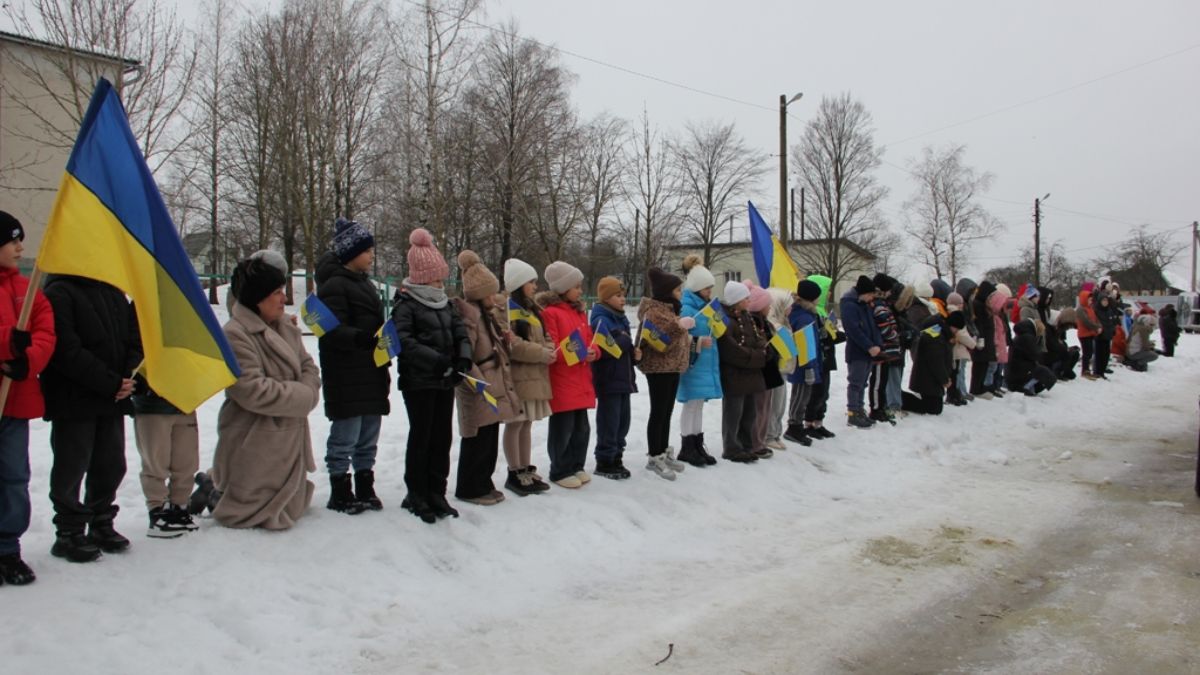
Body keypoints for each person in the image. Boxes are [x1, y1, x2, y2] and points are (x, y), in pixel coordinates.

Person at [209, 257, 321, 530]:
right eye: (276, 293)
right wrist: (303, 396)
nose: (284, 299)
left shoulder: (285, 326)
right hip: (255, 440)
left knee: (290, 505)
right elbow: (251, 390)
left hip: (287, 440)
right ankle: (216, 492)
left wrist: (305, 389)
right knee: (248, 509)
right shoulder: (236, 335)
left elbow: (308, 366)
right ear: (257, 298)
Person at [42, 272, 142, 562]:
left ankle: (101, 520)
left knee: (110, 464)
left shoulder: (113, 291)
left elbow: (134, 338)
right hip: (74, 399)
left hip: (112, 396)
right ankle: (69, 531)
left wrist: (128, 375)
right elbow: (66, 350)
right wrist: (109, 382)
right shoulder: (60, 291)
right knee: (72, 465)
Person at [393, 229, 472, 522]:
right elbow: (405, 342)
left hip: (445, 380)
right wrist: (437, 361)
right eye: (437, 278)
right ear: (423, 277)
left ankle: (437, 492)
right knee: (422, 438)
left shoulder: (445, 303)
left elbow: (460, 332)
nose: (442, 283)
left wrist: (463, 358)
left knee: (442, 438)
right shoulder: (406, 305)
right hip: (419, 381)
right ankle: (417, 494)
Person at [315, 218, 390, 514]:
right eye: (367, 250)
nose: (372, 255)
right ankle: (340, 489)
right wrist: (362, 339)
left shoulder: (365, 284)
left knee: (369, 433)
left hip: (370, 370)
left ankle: (365, 484)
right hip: (346, 373)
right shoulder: (334, 285)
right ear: (351, 252)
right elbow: (330, 330)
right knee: (346, 433)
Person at [0, 212, 54, 584]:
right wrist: (6, 344)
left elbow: (45, 332)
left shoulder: (28, 289)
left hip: (13, 404)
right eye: (14, 240)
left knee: (14, 476)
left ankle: (7, 548)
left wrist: (27, 361)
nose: (21, 247)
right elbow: (9, 336)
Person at [452, 251, 520, 505]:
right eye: (490, 293)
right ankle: (470, 487)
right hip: (479, 387)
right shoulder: (469, 317)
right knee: (477, 440)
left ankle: (484, 482)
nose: (495, 297)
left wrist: (504, 341)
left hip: (492, 385)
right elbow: (465, 354)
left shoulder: (487, 316)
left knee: (489, 439)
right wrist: (479, 382)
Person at [540, 261, 599, 489]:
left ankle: (576, 464)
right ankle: (559, 469)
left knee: (581, 428)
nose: (580, 290)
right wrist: (583, 354)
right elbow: (554, 347)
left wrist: (595, 351)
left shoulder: (579, 312)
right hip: (563, 380)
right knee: (562, 429)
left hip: (581, 379)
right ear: (563, 288)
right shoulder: (551, 313)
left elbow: (590, 338)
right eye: (576, 286)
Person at [590, 277, 655, 480]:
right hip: (609, 380)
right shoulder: (601, 319)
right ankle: (605, 459)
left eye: (623, 295)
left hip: (624, 379)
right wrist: (625, 341)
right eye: (618, 295)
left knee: (622, 422)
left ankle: (617, 455)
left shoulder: (620, 318)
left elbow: (621, 351)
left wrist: (634, 356)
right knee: (609, 422)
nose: (623, 299)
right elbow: (604, 348)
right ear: (607, 297)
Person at [499, 259, 553, 496]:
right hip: (520, 376)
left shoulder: (532, 309)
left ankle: (525, 468)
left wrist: (549, 349)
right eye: (531, 281)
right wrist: (542, 353)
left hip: (535, 374)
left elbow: (546, 335)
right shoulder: (508, 310)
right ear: (520, 284)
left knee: (527, 423)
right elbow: (514, 345)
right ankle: (514, 471)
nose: (535, 285)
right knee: (516, 423)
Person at [636, 268, 693, 480]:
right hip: (658, 368)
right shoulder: (654, 312)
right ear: (667, 292)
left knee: (667, 411)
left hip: (673, 366)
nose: (681, 293)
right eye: (678, 289)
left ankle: (663, 450)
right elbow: (661, 342)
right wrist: (679, 327)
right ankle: (654, 455)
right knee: (658, 412)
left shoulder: (670, 310)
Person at [132, 381, 200, 538]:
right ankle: (157, 510)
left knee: (186, 462)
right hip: (152, 406)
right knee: (155, 462)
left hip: (185, 402)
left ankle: (179, 506)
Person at [676, 254, 721, 466]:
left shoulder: (707, 307)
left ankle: (697, 443)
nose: (709, 292)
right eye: (706, 289)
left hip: (705, 363)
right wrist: (698, 341)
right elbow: (681, 336)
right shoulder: (688, 309)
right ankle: (687, 445)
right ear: (696, 288)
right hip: (693, 364)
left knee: (699, 404)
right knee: (691, 405)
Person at [716, 281, 766, 462]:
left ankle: (746, 444)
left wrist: (763, 351)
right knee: (733, 413)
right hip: (735, 375)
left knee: (749, 413)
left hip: (750, 374)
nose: (749, 300)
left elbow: (759, 338)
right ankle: (731, 447)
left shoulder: (748, 318)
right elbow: (731, 349)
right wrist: (755, 357)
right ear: (736, 300)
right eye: (745, 298)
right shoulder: (726, 320)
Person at [802, 275, 843, 439]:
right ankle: (809, 422)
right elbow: (819, 336)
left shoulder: (822, 311)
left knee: (824, 393)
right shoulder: (813, 313)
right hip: (820, 357)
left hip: (826, 357)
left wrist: (835, 334)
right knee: (816, 393)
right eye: (827, 290)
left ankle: (819, 421)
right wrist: (831, 336)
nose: (830, 293)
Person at [840, 275, 884, 428]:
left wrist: (877, 344)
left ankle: (860, 409)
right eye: (871, 294)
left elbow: (873, 327)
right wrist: (869, 346)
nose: (872, 297)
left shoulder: (865, 305)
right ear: (864, 293)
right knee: (855, 382)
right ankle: (853, 412)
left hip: (868, 351)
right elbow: (854, 330)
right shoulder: (850, 305)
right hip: (857, 351)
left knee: (863, 382)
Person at [784, 279, 823, 446]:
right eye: (817, 297)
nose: (819, 300)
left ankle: (796, 424)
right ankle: (794, 426)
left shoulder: (803, 314)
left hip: (805, 362)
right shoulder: (803, 317)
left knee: (801, 395)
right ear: (811, 298)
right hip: (803, 364)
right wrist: (809, 367)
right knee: (801, 396)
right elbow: (805, 344)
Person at [761, 287, 795, 450]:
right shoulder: (772, 324)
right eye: (789, 305)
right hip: (775, 369)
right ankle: (769, 434)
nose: (791, 309)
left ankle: (775, 433)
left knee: (780, 404)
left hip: (783, 369)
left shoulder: (782, 321)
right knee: (774, 403)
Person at [902, 314, 954, 415]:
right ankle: (898, 398)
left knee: (934, 408)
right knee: (933, 408)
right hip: (927, 378)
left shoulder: (939, 333)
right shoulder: (937, 336)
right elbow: (936, 362)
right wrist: (944, 379)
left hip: (930, 379)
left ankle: (899, 398)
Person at [867, 274, 901, 424]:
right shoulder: (879, 306)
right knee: (878, 381)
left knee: (882, 380)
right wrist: (895, 334)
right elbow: (884, 328)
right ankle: (876, 408)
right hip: (883, 349)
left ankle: (881, 406)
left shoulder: (882, 304)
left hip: (887, 350)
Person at [1007, 318, 1057, 395]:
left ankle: (1028, 386)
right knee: (1045, 372)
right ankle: (1027, 386)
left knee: (1041, 370)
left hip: (1014, 368)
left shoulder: (1022, 335)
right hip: (1019, 369)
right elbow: (1035, 355)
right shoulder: (1028, 337)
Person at [1076, 282, 1101, 379]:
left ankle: (1087, 369)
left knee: (1090, 352)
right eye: (1089, 299)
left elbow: (1095, 319)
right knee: (1087, 352)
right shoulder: (1081, 309)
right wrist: (1096, 327)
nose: (1091, 301)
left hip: (1090, 333)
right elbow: (1086, 321)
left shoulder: (1090, 308)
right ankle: (1085, 370)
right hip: (1084, 334)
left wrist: (1099, 326)